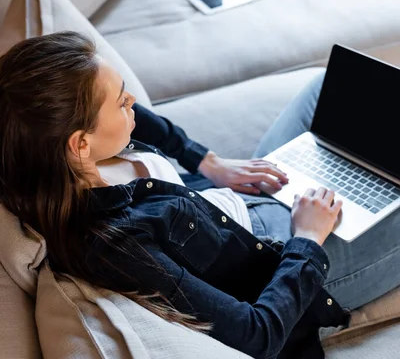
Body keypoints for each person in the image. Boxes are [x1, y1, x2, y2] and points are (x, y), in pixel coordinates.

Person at [0, 31, 399, 359]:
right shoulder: (115, 244)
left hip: (242, 202)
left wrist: (208, 162)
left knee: (323, 86)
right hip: (288, 262)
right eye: (122, 102)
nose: (134, 103)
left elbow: (143, 122)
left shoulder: (49, 153)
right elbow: (255, 334)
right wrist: (308, 238)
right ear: (80, 144)